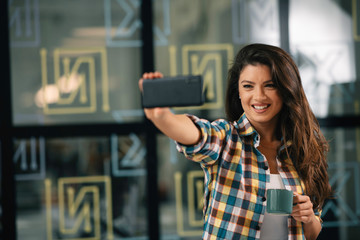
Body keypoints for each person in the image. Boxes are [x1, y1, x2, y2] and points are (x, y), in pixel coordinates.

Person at [139, 43, 332, 240]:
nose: (258, 96)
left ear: (285, 89)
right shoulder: (226, 139)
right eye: (248, 86)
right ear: (238, 92)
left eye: (270, 85)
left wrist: (308, 218)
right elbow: (196, 133)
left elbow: (313, 233)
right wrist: (162, 117)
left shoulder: (301, 150)